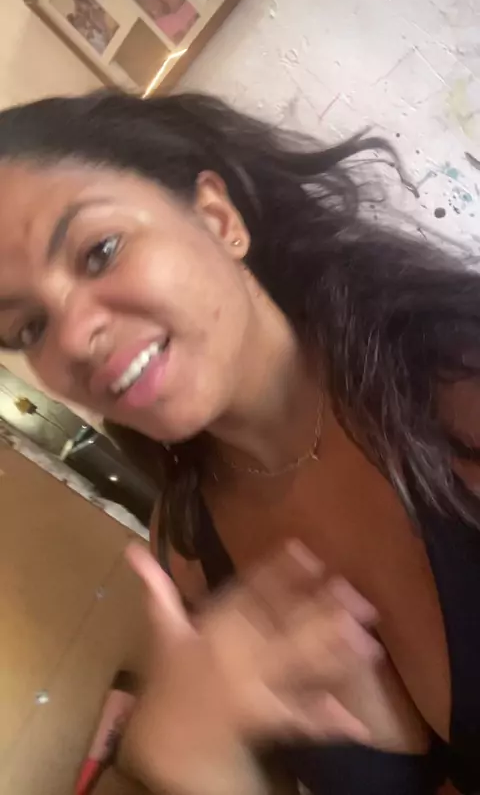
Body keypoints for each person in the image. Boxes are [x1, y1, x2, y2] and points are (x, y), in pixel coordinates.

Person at [0, 90, 478, 793]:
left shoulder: (460, 389)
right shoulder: (189, 550)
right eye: (29, 328)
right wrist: (197, 764)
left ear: (218, 218)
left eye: (99, 252)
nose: (72, 339)